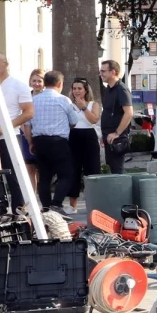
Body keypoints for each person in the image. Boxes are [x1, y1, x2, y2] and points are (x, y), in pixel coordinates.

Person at [0, 52, 35, 212]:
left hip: (10, 135)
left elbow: (29, 112)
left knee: (14, 174)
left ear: (6, 64)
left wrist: (6, 127)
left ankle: (18, 209)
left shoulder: (18, 86)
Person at [26, 71, 81, 209]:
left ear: (45, 83)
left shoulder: (34, 100)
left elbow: (27, 124)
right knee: (66, 174)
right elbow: (74, 120)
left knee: (44, 177)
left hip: (39, 140)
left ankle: (45, 206)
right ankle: (56, 203)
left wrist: (30, 142)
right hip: (58, 141)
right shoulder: (63, 100)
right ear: (60, 84)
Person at [67, 77, 101, 213]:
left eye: (79, 88)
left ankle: (93, 204)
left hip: (89, 137)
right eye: (74, 88)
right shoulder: (69, 104)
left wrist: (84, 107)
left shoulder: (94, 104)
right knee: (73, 171)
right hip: (74, 136)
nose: (76, 91)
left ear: (86, 90)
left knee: (92, 170)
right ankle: (72, 205)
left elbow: (93, 119)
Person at [98, 60, 134, 175]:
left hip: (117, 138)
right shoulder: (108, 90)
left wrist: (117, 133)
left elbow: (129, 113)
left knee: (117, 172)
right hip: (108, 137)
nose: (101, 74)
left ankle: (122, 193)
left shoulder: (121, 89)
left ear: (113, 72)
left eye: (103, 71)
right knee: (113, 170)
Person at [21, 69, 45, 191]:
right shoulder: (26, 97)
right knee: (29, 168)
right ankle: (32, 195)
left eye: (39, 81)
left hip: (41, 133)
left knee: (42, 168)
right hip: (26, 134)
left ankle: (42, 194)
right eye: (34, 80)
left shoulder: (47, 97)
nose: (36, 83)